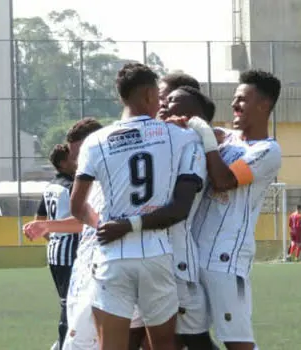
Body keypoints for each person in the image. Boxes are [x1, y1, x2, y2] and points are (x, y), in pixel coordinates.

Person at [68, 63, 206, 350]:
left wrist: (103, 226)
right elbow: (180, 207)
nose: (160, 103)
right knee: (163, 346)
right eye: (158, 96)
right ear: (146, 94)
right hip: (156, 253)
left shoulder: (95, 141)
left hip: (112, 256)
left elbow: (77, 205)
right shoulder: (179, 136)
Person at [169, 70, 282, 350]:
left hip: (226, 259)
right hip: (193, 255)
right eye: (234, 99)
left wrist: (204, 132)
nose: (234, 105)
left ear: (264, 105)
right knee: (188, 337)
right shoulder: (225, 138)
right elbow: (200, 133)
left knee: (237, 342)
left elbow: (224, 181)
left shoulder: (268, 151)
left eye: (242, 99)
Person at [129, 85, 219, 350]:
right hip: (143, 258)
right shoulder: (157, 142)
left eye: (173, 102)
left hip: (175, 262)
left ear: (193, 115)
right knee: (135, 339)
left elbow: (178, 208)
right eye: (163, 100)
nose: (164, 104)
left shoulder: (192, 147)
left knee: (195, 339)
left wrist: (128, 225)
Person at [33, 144, 79, 350]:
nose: (77, 162)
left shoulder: (50, 186)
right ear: (63, 163)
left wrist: (54, 236)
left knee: (66, 301)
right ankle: (63, 344)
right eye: (72, 159)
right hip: (71, 253)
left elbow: (39, 219)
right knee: (71, 303)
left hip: (54, 251)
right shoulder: (72, 186)